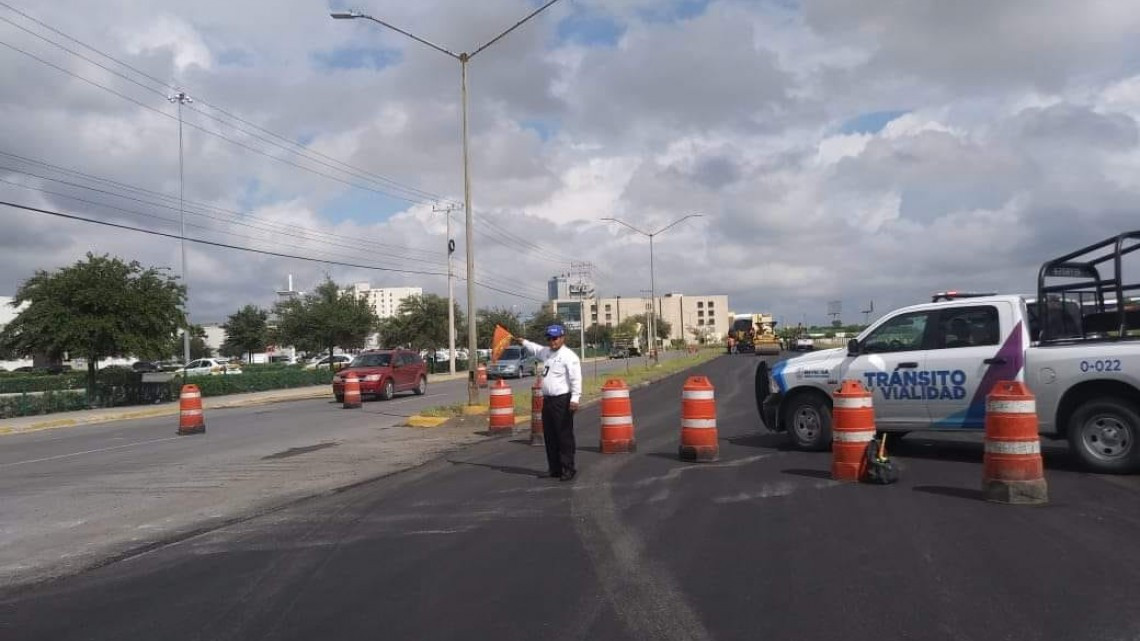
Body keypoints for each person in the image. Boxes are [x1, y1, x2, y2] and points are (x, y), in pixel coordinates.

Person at [516, 324, 583, 481]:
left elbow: (576, 378)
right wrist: (523, 342)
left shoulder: (569, 356)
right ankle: (554, 468)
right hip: (548, 400)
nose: (552, 341)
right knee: (550, 436)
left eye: (555, 338)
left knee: (564, 436)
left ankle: (568, 468)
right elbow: (535, 349)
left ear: (562, 338)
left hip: (562, 400)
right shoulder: (546, 352)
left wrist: (575, 398)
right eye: (549, 338)